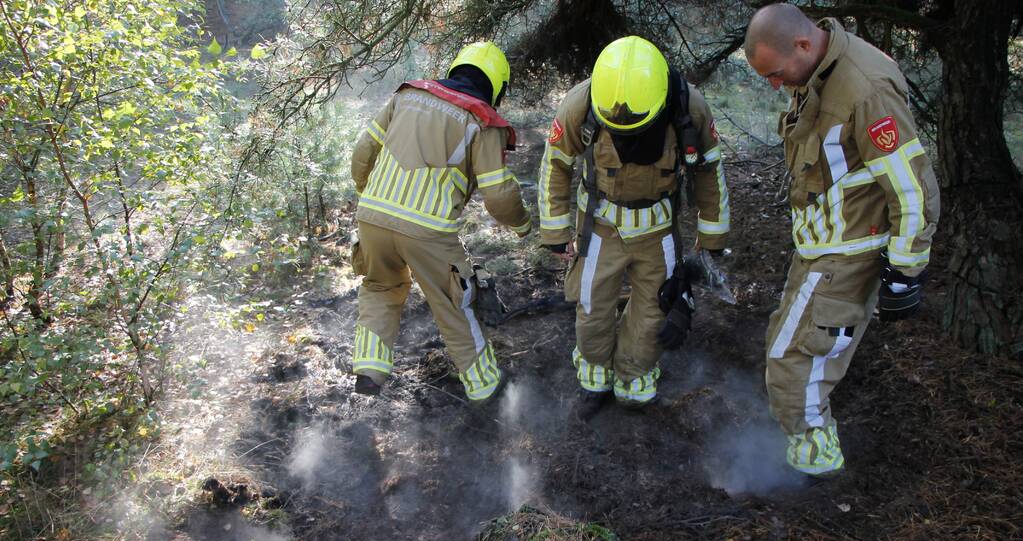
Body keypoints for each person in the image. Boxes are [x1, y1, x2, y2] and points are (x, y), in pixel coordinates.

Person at [744, 4, 939, 477]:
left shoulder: (864, 88)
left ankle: (817, 475)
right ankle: (811, 457)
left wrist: (904, 270)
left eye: (775, 73)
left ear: (804, 45)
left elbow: (912, 186)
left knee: (792, 365)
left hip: (848, 253)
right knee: (783, 347)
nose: (775, 85)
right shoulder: (817, 71)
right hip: (820, 248)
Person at [538, 36, 731, 416]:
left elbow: (710, 171)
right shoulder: (582, 103)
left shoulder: (688, 106)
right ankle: (594, 375)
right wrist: (556, 233)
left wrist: (712, 237)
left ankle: (634, 377)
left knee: (655, 310)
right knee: (591, 306)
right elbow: (555, 164)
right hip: (600, 225)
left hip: (659, 228)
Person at [348, 42, 531, 403]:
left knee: (380, 287)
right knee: (453, 303)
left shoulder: (407, 96)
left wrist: (369, 198)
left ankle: (369, 368)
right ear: (498, 86)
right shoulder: (483, 121)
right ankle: (486, 386)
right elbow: (498, 195)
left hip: (372, 216)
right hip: (428, 230)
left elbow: (362, 152)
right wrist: (523, 226)